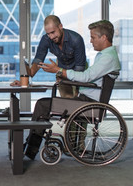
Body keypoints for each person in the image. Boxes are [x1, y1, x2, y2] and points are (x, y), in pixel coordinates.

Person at [24, 20, 121, 159]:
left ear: (104, 38)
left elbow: (86, 76)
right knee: (45, 104)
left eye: (93, 37)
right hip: (86, 98)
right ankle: (32, 146)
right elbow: (90, 78)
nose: (91, 41)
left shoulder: (107, 57)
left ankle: (31, 148)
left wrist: (59, 71)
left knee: (42, 105)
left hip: (88, 103)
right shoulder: (105, 55)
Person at [12, 15, 86, 98]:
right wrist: (25, 82)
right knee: (67, 102)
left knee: (78, 102)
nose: (51, 37)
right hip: (61, 72)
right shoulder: (46, 39)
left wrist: (62, 74)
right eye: (48, 34)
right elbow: (38, 60)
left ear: (60, 26)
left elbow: (80, 69)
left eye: (53, 32)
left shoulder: (76, 39)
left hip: (78, 72)